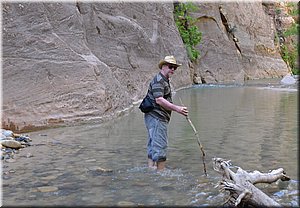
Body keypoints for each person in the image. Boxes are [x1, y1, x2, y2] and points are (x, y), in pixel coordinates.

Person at [144, 55, 189, 171]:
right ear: (163, 66)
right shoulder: (159, 80)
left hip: (154, 118)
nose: (173, 69)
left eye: (175, 68)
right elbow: (159, 99)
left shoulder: (163, 80)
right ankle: (161, 175)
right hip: (157, 118)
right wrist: (177, 109)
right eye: (170, 67)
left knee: (152, 143)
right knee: (160, 145)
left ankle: (151, 169)